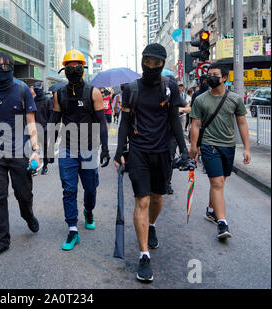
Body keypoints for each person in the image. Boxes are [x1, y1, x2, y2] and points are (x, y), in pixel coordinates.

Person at [114, 44, 193, 283]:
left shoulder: (169, 87)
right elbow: (125, 123)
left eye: (156, 63)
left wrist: (185, 151)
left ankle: (152, 224)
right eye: (147, 61)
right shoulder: (131, 89)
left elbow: (174, 121)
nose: (150, 66)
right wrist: (119, 153)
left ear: (162, 64)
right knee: (143, 199)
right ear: (142, 61)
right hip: (138, 151)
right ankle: (144, 254)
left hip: (162, 152)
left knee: (158, 198)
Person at [0, 52, 40, 259]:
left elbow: (31, 120)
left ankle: (28, 215)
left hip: (20, 152)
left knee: (23, 195)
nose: (1, 70)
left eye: (5, 66)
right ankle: (2, 240)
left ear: (12, 68)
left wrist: (35, 149)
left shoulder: (23, 90)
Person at [51, 49, 110, 251]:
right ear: (64, 70)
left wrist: (104, 149)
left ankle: (88, 210)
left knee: (91, 188)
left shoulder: (93, 92)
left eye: (77, 66)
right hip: (67, 149)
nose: (73, 70)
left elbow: (102, 122)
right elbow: (54, 121)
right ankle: (73, 228)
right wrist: (49, 148)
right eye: (69, 67)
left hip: (89, 148)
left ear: (83, 69)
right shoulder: (59, 94)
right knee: (69, 189)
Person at [189, 62, 251, 240]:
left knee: (220, 182)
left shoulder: (235, 99)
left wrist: (246, 148)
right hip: (209, 145)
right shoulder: (200, 99)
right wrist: (194, 147)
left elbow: (242, 123)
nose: (211, 77)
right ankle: (222, 222)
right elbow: (195, 125)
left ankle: (210, 209)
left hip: (228, 146)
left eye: (215, 74)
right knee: (217, 183)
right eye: (209, 74)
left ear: (224, 78)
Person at [33, 81, 53, 175]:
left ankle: (45, 166)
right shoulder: (33, 100)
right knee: (34, 149)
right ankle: (34, 167)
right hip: (34, 128)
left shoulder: (47, 100)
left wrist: (48, 126)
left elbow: (51, 115)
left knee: (45, 149)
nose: (37, 91)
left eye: (39, 89)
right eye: (36, 89)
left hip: (44, 128)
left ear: (42, 89)